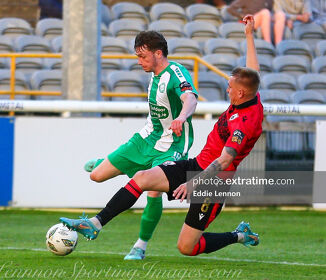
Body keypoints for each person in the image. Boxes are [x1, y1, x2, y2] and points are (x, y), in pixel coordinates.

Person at [60, 14, 263, 258]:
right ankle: (95, 223)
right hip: (197, 164)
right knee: (143, 178)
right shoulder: (250, 95)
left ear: (240, 92)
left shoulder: (245, 122)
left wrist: (193, 183)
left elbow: (225, 161)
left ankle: (240, 235)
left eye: (230, 87)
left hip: (213, 182)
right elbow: (252, 72)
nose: (227, 89)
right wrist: (249, 35)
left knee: (187, 248)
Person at [81, 31, 198, 260]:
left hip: (171, 144)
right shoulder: (154, 73)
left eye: (143, 56)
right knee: (96, 175)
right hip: (145, 138)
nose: (139, 61)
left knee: (152, 189)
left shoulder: (176, 73)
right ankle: (107, 163)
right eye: (137, 56)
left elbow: (190, 98)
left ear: (158, 53)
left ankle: (140, 247)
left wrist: (182, 118)